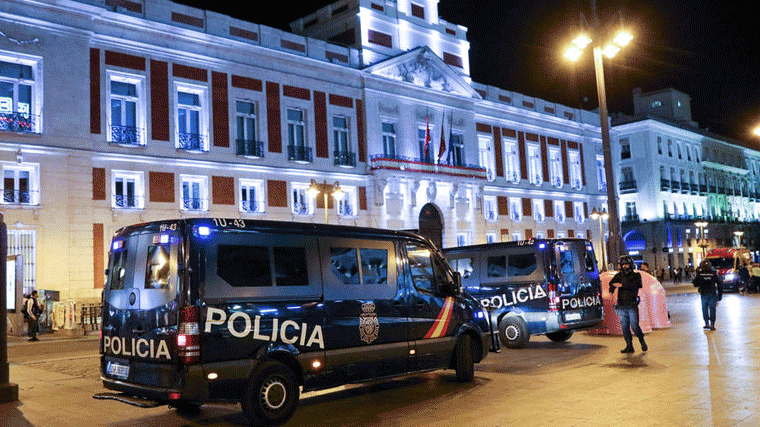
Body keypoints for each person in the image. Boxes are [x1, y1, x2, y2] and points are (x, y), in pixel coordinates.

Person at [609, 255, 647, 353]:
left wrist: (622, 285)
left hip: (632, 305)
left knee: (634, 326)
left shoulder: (636, 275)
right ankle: (629, 346)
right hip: (621, 305)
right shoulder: (618, 275)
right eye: (623, 265)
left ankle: (642, 341)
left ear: (630, 265)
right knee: (625, 327)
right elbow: (612, 283)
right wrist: (612, 290)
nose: (624, 266)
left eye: (626, 264)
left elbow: (637, 285)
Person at [693, 260, 722, 330]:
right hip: (712, 293)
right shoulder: (713, 273)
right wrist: (720, 295)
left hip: (704, 293)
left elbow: (695, 284)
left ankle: (706, 323)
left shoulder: (700, 274)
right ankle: (712, 324)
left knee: (704, 308)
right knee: (712, 308)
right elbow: (720, 284)